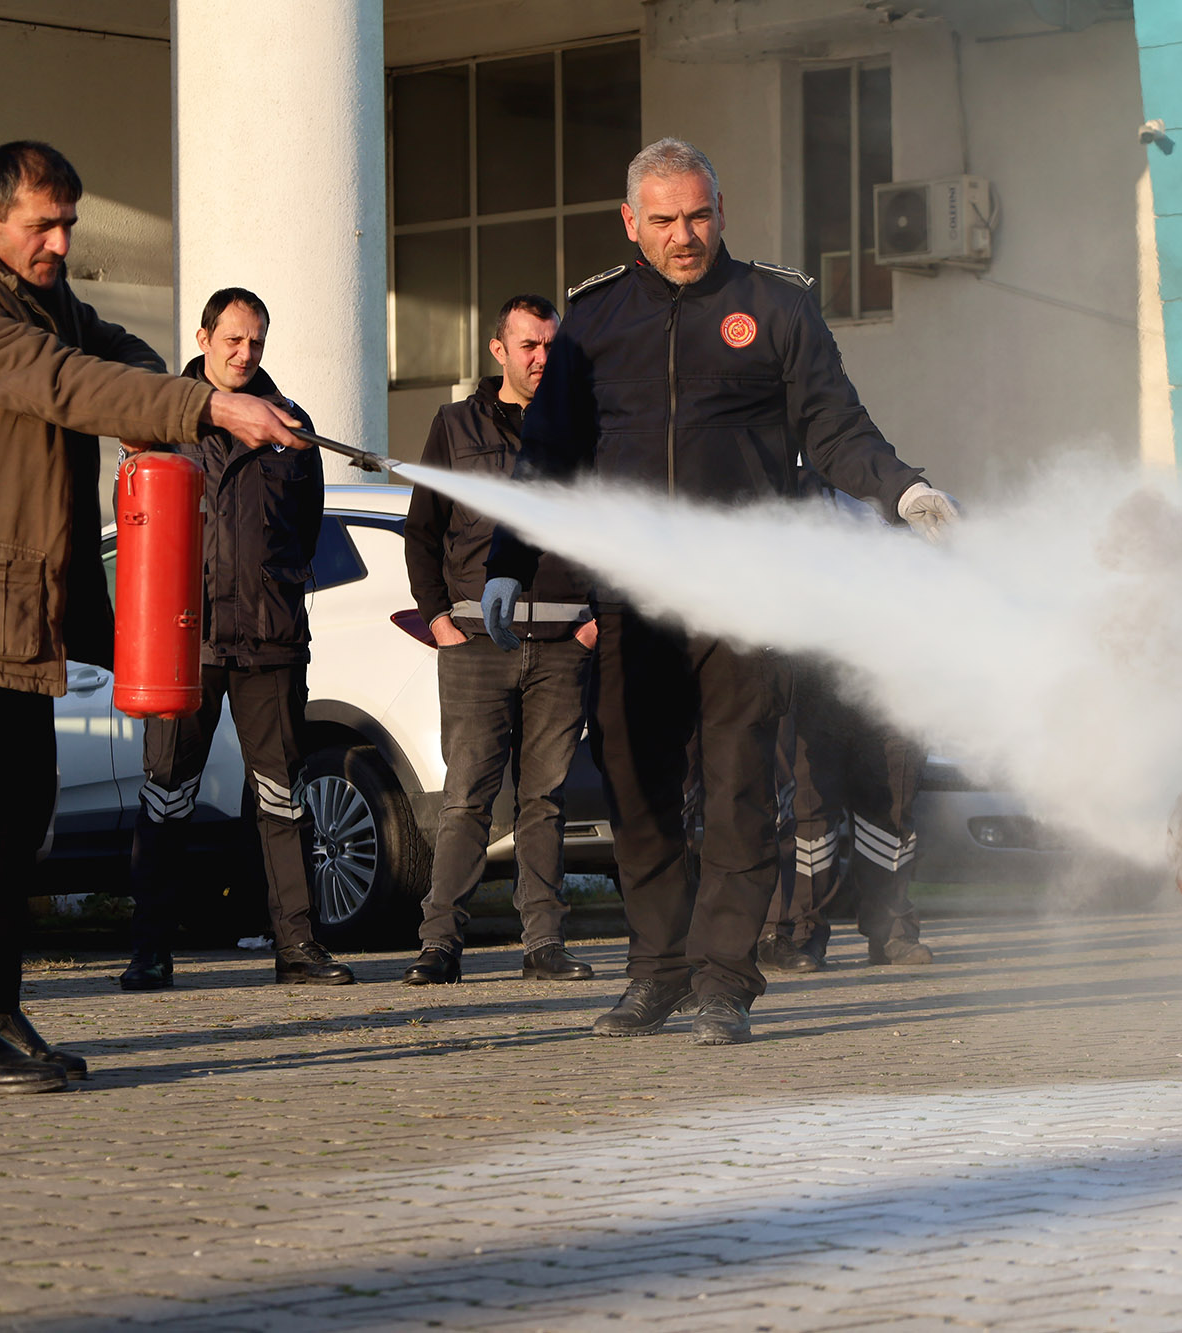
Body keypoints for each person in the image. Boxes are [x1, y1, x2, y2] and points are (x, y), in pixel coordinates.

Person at [484, 138, 961, 1045]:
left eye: (697, 215)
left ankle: (723, 980)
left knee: (742, 788)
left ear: (721, 211)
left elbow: (835, 427)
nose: (683, 235)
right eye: (662, 220)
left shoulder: (774, 308)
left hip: (746, 596)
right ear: (631, 223)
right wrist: (506, 558)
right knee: (637, 786)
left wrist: (902, 488)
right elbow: (546, 458)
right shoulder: (592, 320)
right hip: (633, 599)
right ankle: (655, 972)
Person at [0, 141, 307, 1092]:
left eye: (69, 223)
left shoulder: (40, 297)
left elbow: (122, 357)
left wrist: (182, 395)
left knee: (22, 814)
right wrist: (210, 409)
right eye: (43, 225)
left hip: (17, 596)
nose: (62, 241)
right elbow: (59, 383)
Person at [119, 288, 354, 991]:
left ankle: (298, 949)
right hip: (182, 644)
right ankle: (152, 951)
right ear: (203, 336)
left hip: (270, 640)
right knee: (166, 798)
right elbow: (135, 514)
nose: (245, 354)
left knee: (284, 798)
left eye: (256, 342)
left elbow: (304, 525)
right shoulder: (163, 414)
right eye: (233, 341)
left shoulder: (292, 424)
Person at [400, 295, 598, 986]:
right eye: (527, 346)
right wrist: (438, 619)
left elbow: (610, 524)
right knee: (467, 798)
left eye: (550, 346)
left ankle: (543, 944)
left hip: (562, 641)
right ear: (498, 351)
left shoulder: (583, 429)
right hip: (476, 640)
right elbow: (422, 530)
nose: (540, 358)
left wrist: (592, 615)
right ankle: (439, 945)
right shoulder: (455, 425)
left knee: (546, 798)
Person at [762, 662, 933, 973]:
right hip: (813, 678)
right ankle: (800, 932)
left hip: (895, 680)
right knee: (808, 811)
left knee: (893, 810)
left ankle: (890, 929)